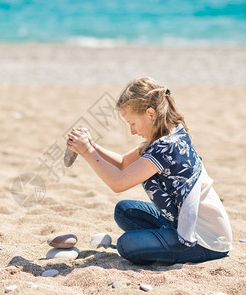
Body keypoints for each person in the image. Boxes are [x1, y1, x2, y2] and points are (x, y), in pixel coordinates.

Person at [66, 77, 232, 265]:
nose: (132, 131)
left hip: (206, 240)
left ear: (151, 114)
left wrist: (86, 152)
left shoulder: (167, 147)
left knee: (126, 245)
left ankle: (172, 242)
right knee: (124, 210)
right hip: (182, 218)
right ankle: (164, 237)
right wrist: (92, 146)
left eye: (133, 123)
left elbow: (118, 183)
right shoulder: (169, 134)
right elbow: (122, 163)